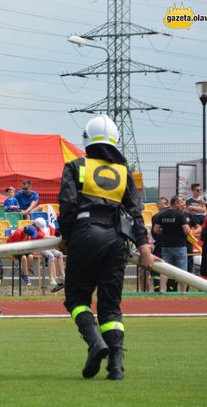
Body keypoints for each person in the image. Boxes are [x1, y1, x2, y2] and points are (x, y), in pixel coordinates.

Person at [58, 114, 153, 380]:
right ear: (115, 141)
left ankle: (95, 342)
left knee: (77, 299)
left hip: (85, 234)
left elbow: (66, 206)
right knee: (110, 306)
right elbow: (135, 214)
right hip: (116, 241)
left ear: (87, 140)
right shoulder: (124, 173)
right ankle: (116, 366)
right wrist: (144, 247)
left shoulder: (76, 166)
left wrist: (67, 238)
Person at [153, 196, 190, 293]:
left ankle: (162, 289)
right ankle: (183, 291)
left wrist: (165, 232)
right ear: (176, 203)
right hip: (180, 245)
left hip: (166, 246)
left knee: (165, 269)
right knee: (182, 270)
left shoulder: (162, 215)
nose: (183, 205)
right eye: (181, 203)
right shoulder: (180, 215)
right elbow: (187, 231)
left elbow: (156, 230)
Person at [33, 217, 65, 292]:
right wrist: (57, 237)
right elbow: (45, 237)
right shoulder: (35, 231)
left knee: (60, 254)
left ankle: (63, 276)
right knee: (51, 256)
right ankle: (51, 278)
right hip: (39, 248)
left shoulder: (45, 228)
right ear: (37, 226)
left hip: (47, 247)